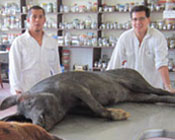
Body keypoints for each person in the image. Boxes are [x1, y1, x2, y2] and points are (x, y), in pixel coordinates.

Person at [107, 5, 175, 93]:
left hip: (152, 88)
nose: (138, 22)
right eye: (135, 19)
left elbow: (161, 63)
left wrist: (168, 86)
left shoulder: (158, 37)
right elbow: (114, 63)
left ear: (148, 20)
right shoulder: (125, 38)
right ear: (131, 21)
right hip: (130, 89)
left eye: (142, 18)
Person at [9, 5, 62, 95]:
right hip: (27, 90)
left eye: (40, 17)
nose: (37, 20)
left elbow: (56, 67)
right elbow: (14, 68)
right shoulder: (19, 42)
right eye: (34, 17)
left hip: (46, 90)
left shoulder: (52, 42)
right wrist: (16, 90)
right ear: (28, 20)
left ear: (44, 20)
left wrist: (60, 86)